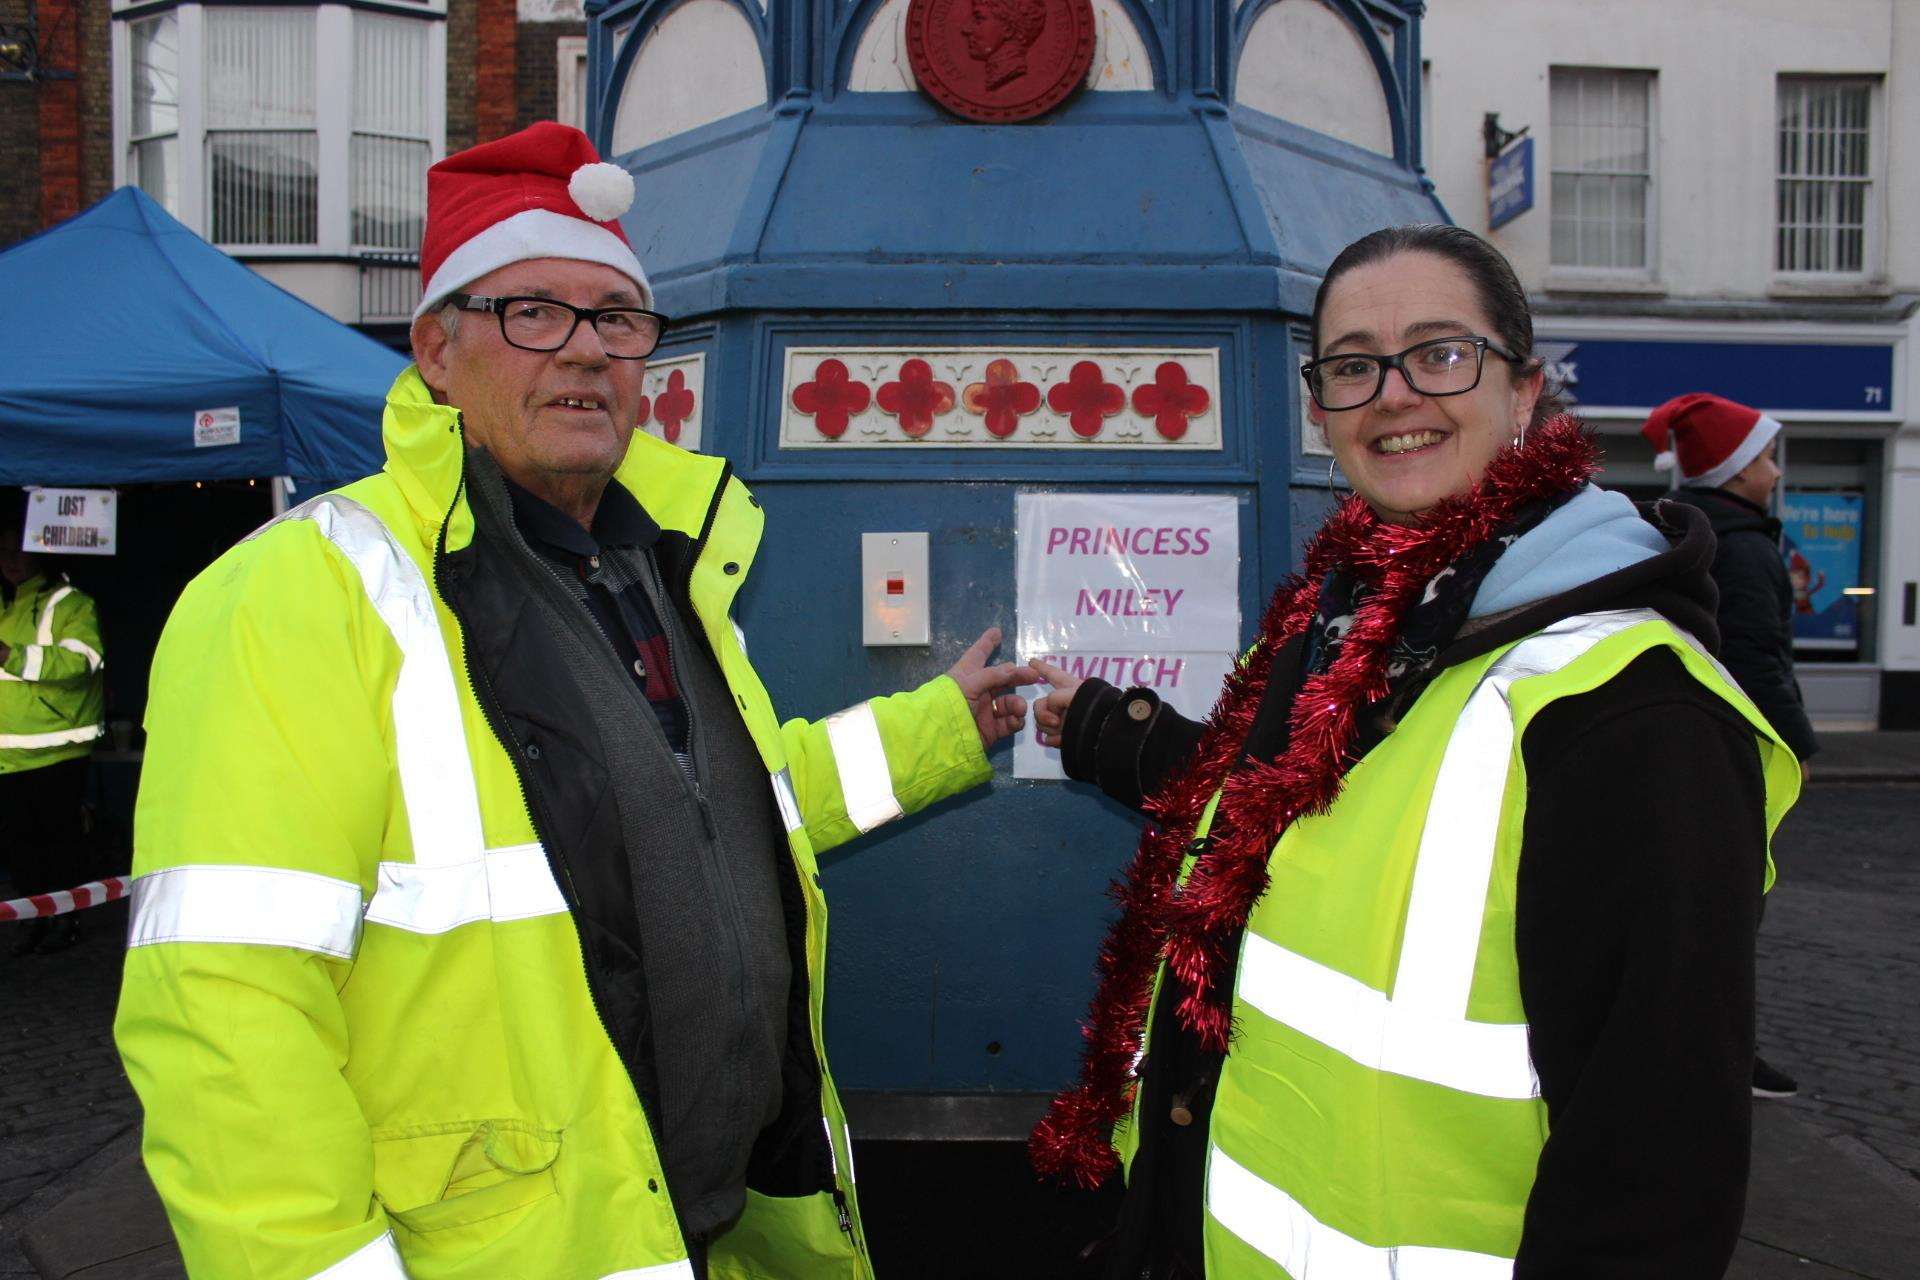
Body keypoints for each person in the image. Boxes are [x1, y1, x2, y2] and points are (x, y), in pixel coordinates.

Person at [114, 123, 1035, 1280]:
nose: (585, 350)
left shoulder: (660, 569)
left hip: (711, 1226)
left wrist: (942, 725)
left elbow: (726, 811)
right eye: (533, 312)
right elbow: (225, 1011)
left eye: (616, 318)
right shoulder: (299, 591)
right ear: (437, 349)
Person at [1028, 224, 1801, 1278]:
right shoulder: (1340, 619)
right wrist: (1112, 735)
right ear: (1321, 409)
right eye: (1354, 365)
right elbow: (1295, 824)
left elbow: (1655, 1176)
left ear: (1526, 390)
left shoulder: (1632, 710)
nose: (1394, 394)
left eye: (1440, 353)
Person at [1644, 391, 1818, 1101]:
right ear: (1736, 470)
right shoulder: (1745, 549)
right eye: (1765, 457)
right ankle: (1718, 1056)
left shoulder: (1691, 534)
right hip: (1733, 751)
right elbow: (1756, 656)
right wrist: (1796, 745)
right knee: (1730, 905)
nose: (1774, 473)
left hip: (1691, 744)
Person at [0, 498, 105, 956]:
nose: (10, 561)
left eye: (18, 551)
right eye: (3, 552)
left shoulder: (71, 602)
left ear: (39, 550)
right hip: (7, 756)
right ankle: (34, 924)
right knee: (22, 853)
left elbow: (84, 661)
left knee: (59, 848)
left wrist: (12, 655)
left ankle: (68, 920)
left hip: (57, 752)